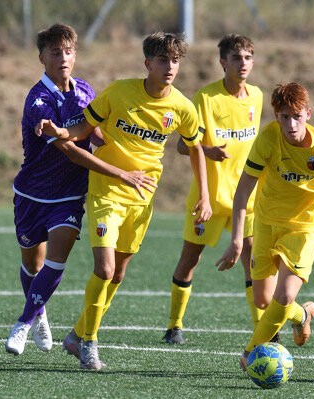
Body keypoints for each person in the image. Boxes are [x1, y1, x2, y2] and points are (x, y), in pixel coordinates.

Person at [37, 32, 212, 369]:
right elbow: (83, 128)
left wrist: (204, 194)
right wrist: (61, 132)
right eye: (163, 60)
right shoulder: (119, 91)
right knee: (104, 268)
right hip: (106, 191)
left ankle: (75, 335)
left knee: (117, 275)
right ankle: (89, 342)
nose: (170, 67)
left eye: (175, 60)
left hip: (142, 197)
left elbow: (195, 149)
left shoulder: (182, 107)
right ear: (148, 64)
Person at [5, 24, 151, 356]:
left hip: (70, 195)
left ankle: (23, 323)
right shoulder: (38, 101)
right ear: (42, 58)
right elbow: (71, 150)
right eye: (55, 52)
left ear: (75, 54)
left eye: (68, 51)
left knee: (56, 262)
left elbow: (93, 134)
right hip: (32, 194)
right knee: (33, 264)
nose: (63, 58)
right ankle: (39, 313)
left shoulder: (85, 90)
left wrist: (125, 149)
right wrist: (121, 173)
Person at [215, 82, 314, 371]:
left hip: (304, 228)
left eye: (296, 116)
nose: (290, 124)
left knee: (284, 296)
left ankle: (250, 351)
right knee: (265, 300)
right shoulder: (267, 139)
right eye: (283, 117)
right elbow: (243, 191)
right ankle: (302, 316)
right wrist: (238, 240)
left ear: (308, 113)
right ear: (275, 116)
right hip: (266, 222)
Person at [163, 34, 264, 344]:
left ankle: (262, 332)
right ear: (223, 63)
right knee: (190, 259)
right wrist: (208, 152)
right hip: (208, 198)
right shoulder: (206, 98)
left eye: (247, 57)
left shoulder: (257, 97)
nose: (242, 63)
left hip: (246, 199)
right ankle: (174, 325)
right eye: (236, 58)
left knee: (252, 264)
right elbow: (183, 146)